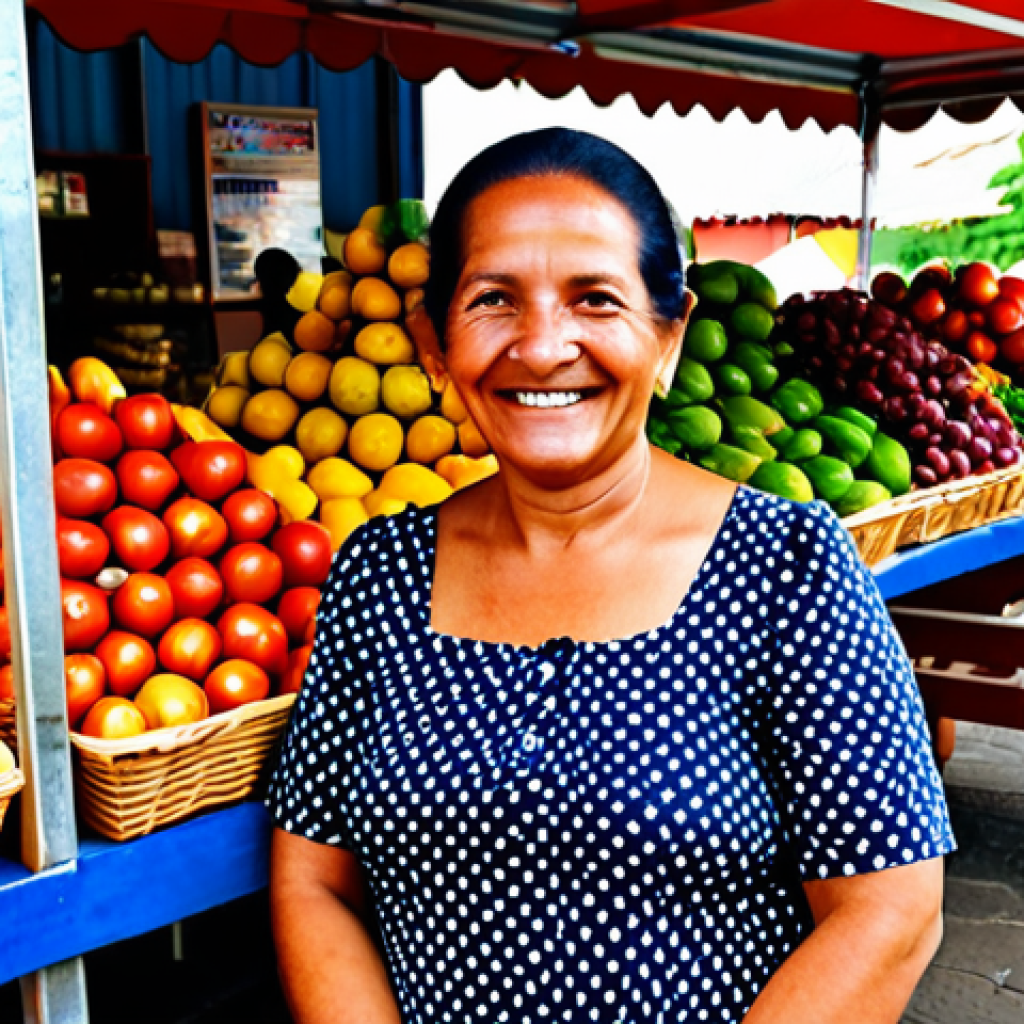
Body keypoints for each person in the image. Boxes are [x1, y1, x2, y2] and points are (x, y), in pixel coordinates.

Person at [267, 127, 953, 1024]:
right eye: (493, 301)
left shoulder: (789, 568)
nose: (544, 346)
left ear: (670, 336)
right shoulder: (378, 574)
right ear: (435, 345)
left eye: (595, 299)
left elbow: (890, 911)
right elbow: (313, 881)